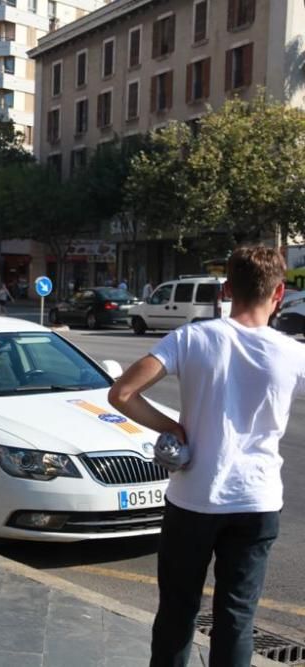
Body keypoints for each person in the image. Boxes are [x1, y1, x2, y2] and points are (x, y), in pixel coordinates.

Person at [108, 247, 305, 666]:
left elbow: (122, 394)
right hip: (257, 501)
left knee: (178, 611)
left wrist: (169, 426)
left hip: (193, 499)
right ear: (280, 292)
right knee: (236, 617)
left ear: (228, 289)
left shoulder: (191, 338)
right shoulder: (292, 354)